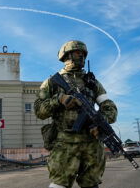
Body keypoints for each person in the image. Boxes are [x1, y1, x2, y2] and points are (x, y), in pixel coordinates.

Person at [34, 40, 118, 188]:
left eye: (83, 54)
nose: (82, 57)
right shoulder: (52, 83)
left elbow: (109, 107)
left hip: (91, 143)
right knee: (59, 184)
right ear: (67, 55)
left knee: (92, 184)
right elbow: (39, 110)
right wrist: (59, 100)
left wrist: (100, 122)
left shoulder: (92, 83)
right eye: (78, 53)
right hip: (65, 143)